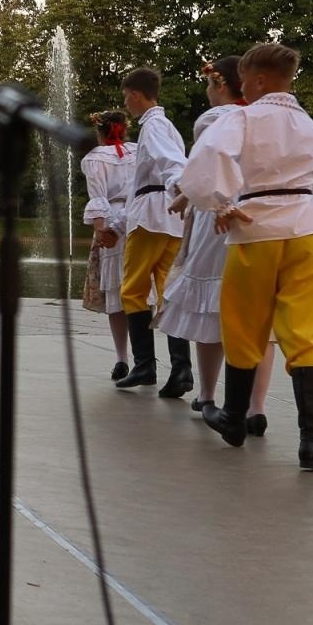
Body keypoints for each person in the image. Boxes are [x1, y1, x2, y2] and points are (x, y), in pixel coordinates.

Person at [181, 42, 313, 470]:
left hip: (257, 228)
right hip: (307, 228)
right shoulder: (309, 125)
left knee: (244, 324)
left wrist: (219, 202)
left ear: (256, 80)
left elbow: (207, 158)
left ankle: (234, 417)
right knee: (305, 332)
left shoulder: (244, 116)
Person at [157, 58, 278, 434]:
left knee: (209, 309)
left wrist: (184, 195)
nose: (207, 92)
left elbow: (205, 173)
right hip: (260, 220)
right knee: (259, 317)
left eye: (209, 85)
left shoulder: (214, 120)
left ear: (221, 85)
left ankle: (208, 395)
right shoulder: (267, 120)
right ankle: (256, 407)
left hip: (219, 219)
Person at [98, 68, 192, 396]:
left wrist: (184, 191)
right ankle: (181, 369)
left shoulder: (152, 126)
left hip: (151, 217)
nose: (126, 102)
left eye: (126, 95)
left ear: (136, 95)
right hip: (171, 221)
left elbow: (170, 164)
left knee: (133, 290)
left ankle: (144, 366)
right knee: (167, 293)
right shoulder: (168, 126)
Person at [80, 111, 135, 378]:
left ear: (100, 132)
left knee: (116, 294)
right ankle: (144, 358)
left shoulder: (95, 158)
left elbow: (98, 197)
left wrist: (103, 230)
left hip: (112, 219)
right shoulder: (138, 152)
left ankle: (122, 357)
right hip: (139, 218)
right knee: (139, 291)